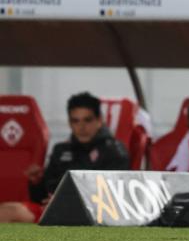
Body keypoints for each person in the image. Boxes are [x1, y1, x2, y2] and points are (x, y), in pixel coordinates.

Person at [0, 92, 129, 224]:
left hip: (92, 215)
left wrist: (68, 203)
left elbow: (114, 198)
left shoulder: (114, 151)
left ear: (99, 120)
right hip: (52, 210)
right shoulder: (61, 150)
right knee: (6, 211)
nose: (82, 127)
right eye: (75, 121)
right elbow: (40, 198)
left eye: (87, 120)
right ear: (69, 123)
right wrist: (36, 182)